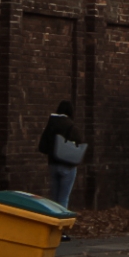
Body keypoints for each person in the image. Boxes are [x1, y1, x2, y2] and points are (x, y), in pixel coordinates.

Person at [37, 101, 82, 237]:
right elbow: (79, 142)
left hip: (53, 164)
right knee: (63, 198)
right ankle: (60, 231)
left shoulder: (51, 125)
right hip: (67, 165)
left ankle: (51, 227)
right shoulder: (71, 126)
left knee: (54, 198)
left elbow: (42, 147)